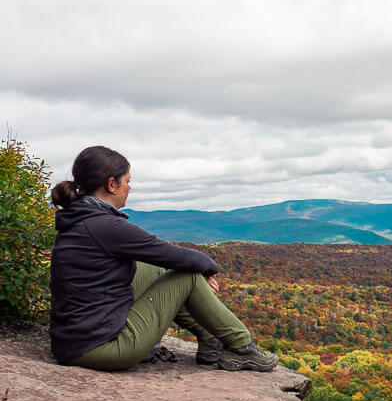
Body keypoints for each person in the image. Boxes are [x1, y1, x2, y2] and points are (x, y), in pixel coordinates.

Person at [48, 145, 278, 372]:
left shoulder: (79, 219)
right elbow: (173, 255)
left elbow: (161, 258)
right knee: (186, 275)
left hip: (72, 342)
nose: (130, 187)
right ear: (111, 184)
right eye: (127, 181)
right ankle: (242, 346)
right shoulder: (104, 225)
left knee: (154, 269)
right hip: (101, 348)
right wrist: (208, 267)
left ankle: (211, 340)